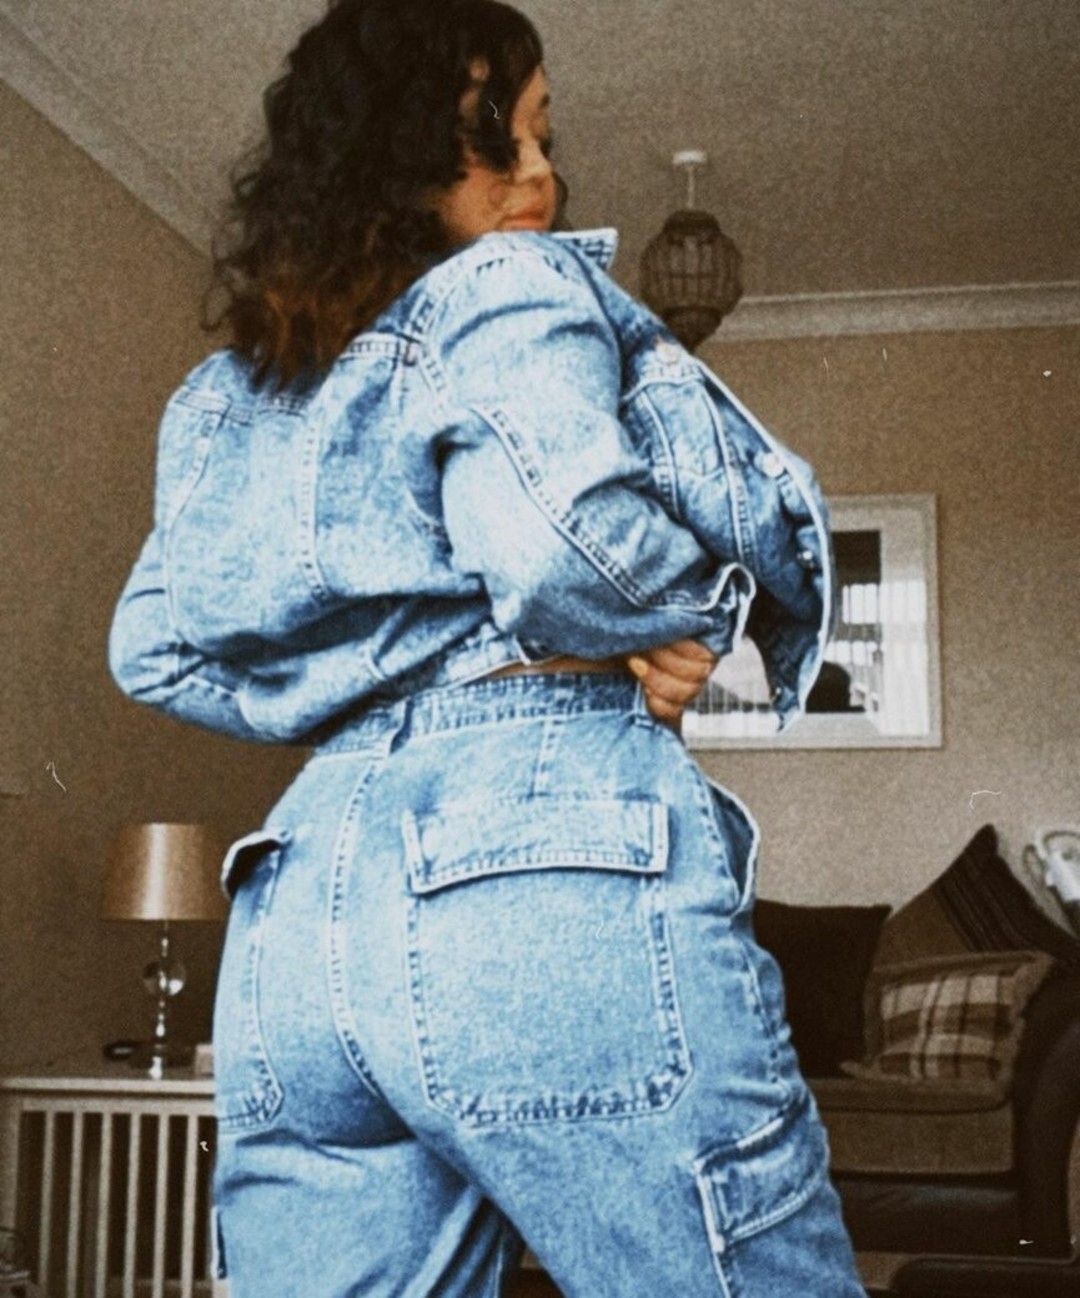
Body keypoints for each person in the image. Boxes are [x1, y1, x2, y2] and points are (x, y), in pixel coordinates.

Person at [109, 1, 863, 1294]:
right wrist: (679, 616)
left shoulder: (230, 394)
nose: (541, 176)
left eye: (544, 140)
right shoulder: (511, 281)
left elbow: (154, 649)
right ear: (393, 161)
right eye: (500, 138)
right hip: (528, 864)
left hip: (302, 915)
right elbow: (564, 546)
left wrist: (411, 665)